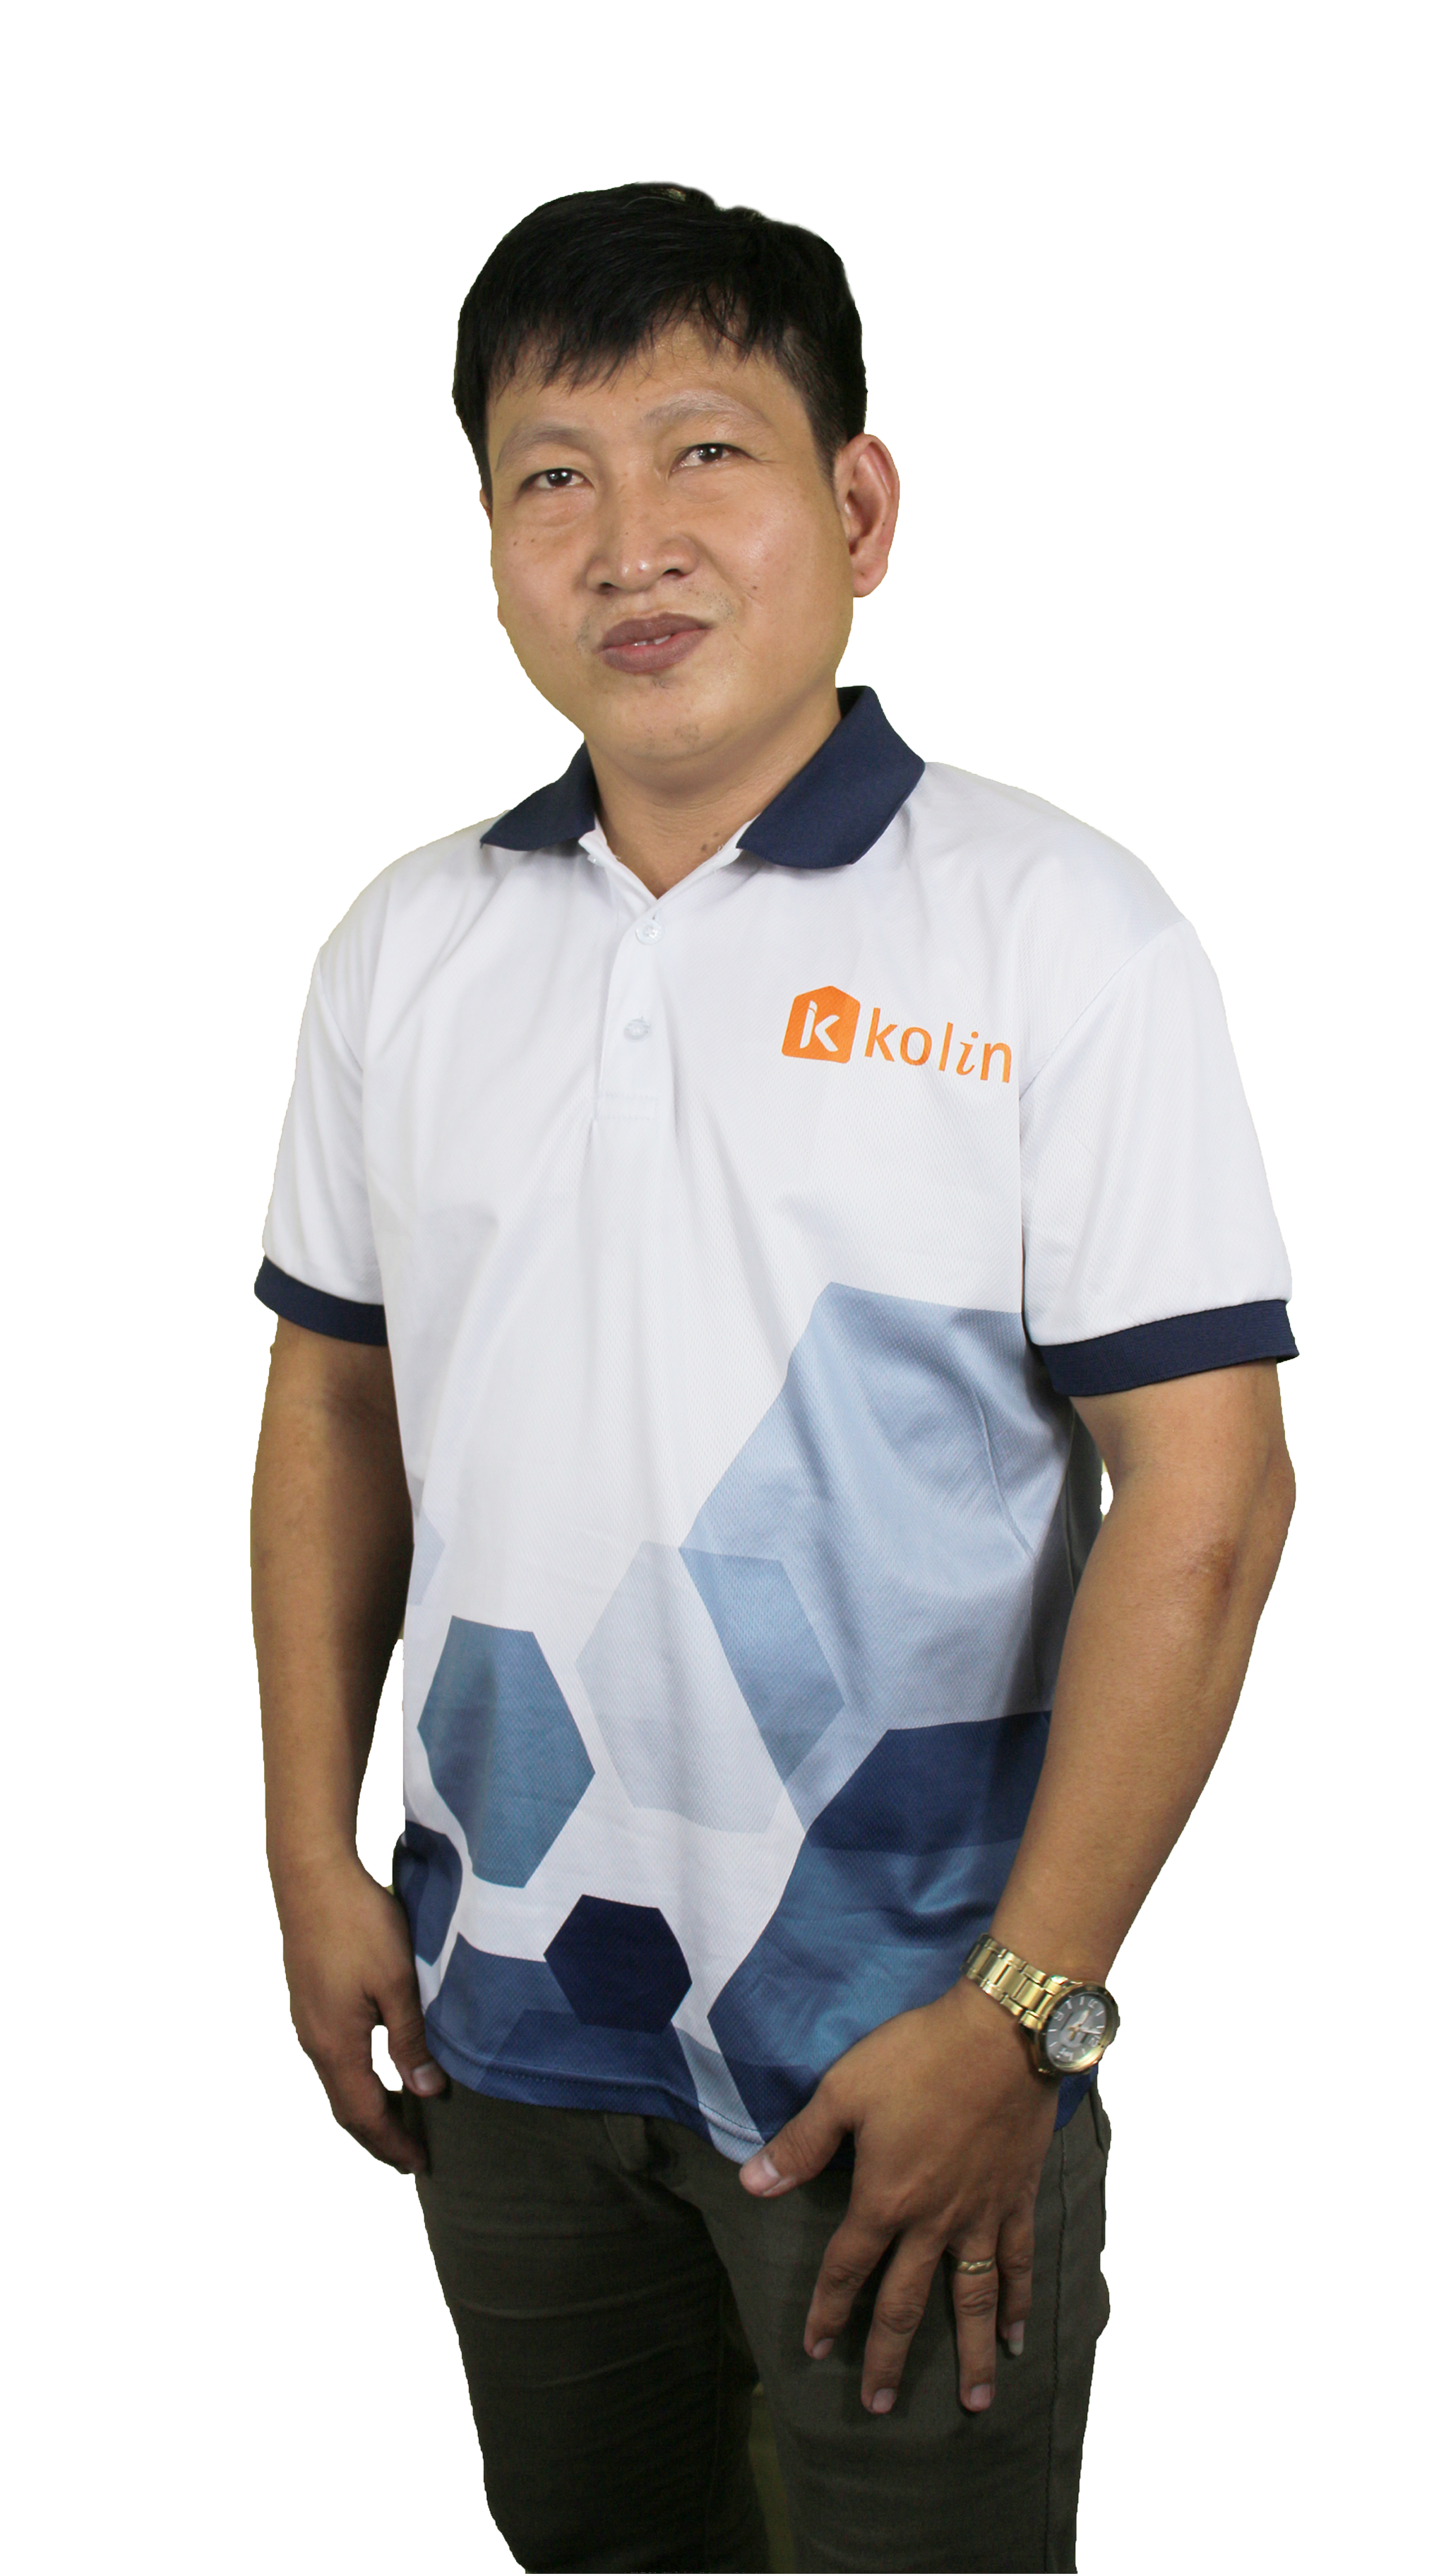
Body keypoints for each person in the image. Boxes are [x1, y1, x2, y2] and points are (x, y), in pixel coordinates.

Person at [251, 181, 1296, 2575]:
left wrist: (1025, 2013)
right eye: (553, 473)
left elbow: (1214, 1502)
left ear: (859, 507)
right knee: (602, 2546)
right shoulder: (406, 949)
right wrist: (311, 1859)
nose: (630, 538)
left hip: (906, 2050)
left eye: (705, 450)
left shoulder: (1061, 934)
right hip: (500, 2021)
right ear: (491, 549)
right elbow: (333, 1417)